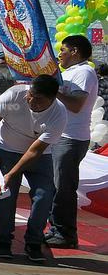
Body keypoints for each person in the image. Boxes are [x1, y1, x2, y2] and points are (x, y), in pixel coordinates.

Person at [0, 74, 66, 263]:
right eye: (31, 95)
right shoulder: (14, 95)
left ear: (52, 99)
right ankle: (4, 240)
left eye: (39, 100)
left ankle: (34, 241)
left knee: (44, 196)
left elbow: (35, 151)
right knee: (6, 196)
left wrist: (12, 174)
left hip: (39, 157)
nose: (31, 101)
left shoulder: (59, 114)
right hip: (8, 150)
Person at [46, 35, 99, 249]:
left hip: (70, 138)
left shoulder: (84, 72)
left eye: (63, 49)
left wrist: (53, 91)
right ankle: (55, 229)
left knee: (63, 188)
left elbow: (76, 105)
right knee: (55, 186)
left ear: (75, 51)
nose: (60, 54)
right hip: (59, 136)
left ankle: (65, 234)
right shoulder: (69, 72)